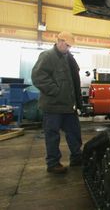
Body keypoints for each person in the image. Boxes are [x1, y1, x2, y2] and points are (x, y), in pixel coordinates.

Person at [31, 31, 83, 174]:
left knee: (74, 132)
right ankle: (53, 163)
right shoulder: (47, 56)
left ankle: (77, 157)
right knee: (52, 135)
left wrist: (78, 102)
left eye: (70, 46)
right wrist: (56, 91)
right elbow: (38, 76)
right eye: (67, 45)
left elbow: (74, 81)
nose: (68, 48)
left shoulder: (69, 58)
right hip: (53, 106)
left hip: (68, 106)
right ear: (59, 41)